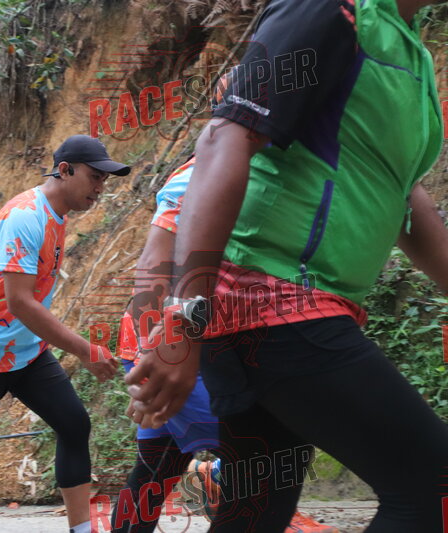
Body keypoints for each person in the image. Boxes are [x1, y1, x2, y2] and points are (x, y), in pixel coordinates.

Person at [126, 0, 448, 531]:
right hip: (271, 298)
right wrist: (182, 321)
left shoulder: (407, 46)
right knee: (434, 486)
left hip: (291, 307)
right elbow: (224, 138)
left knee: (255, 514)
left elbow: (404, 197)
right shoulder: (333, 10)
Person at [110, 159, 336, 532]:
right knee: (263, 451)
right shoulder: (205, 172)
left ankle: (218, 480)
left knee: (155, 471)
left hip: (207, 344)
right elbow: (154, 263)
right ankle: (223, 482)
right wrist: (150, 358)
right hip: (172, 347)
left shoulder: (275, 168)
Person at [0, 134, 128, 533]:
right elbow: (20, 302)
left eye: (104, 180)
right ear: (64, 170)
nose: (100, 188)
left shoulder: (55, 215)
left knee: (74, 423)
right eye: (95, 177)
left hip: (26, 351)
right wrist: (84, 349)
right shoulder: (26, 216)